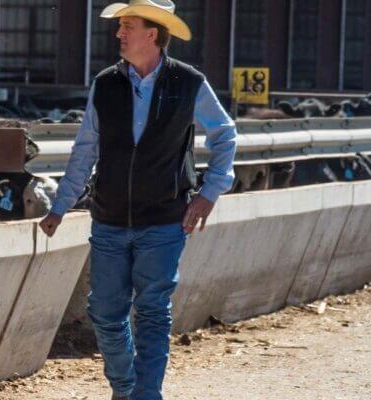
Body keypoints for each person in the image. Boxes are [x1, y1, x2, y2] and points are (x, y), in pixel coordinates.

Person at [40, 1, 237, 399]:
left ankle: (145, 395)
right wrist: (60, 205)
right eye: (120, 26)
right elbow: (85, 150)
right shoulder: (106, 83)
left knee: (151, 312)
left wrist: (209, 192)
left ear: (153, 33)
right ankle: (127, 387)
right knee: (105, 315)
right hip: (110, 218)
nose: (119, 33)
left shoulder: (189, 82)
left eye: (128, 26)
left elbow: (225, 135)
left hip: (165, 220)